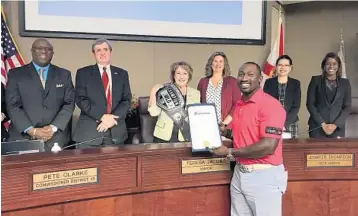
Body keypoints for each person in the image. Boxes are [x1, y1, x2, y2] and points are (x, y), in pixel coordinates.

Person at [212, 62, 287, 216]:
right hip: (239, 174)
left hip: (264, 177)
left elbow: (268, 146)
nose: (244, 78)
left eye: (250, 75)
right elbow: (244, 135)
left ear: (260, 79)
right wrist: (225, 132)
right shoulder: (240, 104)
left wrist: (229, 151)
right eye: (241, 74)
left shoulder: (271, 105)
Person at [5, 38, 75, 151]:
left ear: (52, 53)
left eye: (48, 49)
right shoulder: (16, 74)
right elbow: (13, 105)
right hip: (24, 138)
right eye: (39, 48)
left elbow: (69, 103)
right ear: (32, 51)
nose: (44, 51)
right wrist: (32, 130)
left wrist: (53, 128)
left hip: (56, 138)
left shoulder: (64, 74)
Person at [73, 38, 132, 148]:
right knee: (88, 165)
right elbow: (80, 99)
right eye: (98, 50)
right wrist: (102, 116)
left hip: (115, 132)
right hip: (89, 134)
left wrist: (111, 118)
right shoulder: (83, 73)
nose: (102, 53)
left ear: (110, 52)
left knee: (115, 165)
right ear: (93, 54)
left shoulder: (122, 74)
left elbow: (126, 99)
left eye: (105, 49)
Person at [148, 61, 200, 143]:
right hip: (164, 136)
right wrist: (153, 91)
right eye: (178, 73)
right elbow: (153, 113)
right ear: (174, 75)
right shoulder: (164, 90)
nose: (181, 76)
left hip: (184, 136)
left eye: (185, 73)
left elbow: (196, 116)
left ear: (189, 76)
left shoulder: (196, 93)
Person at [306, 52, 351, 138]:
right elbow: (310, 104)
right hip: (317, 127)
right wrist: (322, 124)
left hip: (337, 129)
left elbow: (347, 106)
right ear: (324, 66)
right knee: (316, 152)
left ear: (338, 66)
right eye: (328, 64)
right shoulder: (315, 80)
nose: (331, 67)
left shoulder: (345, 83)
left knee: (337, 152)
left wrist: (335, 125)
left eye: (334, 64)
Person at [197, 52, 241, 132]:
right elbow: (199, 104)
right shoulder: (203, 82)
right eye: (215, 61)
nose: (218, 64)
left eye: (221, 61)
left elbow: (238, 104)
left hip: (227, 128)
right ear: (211, 64)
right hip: (206, 127)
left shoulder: (232, 82)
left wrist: (224, 124)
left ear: (225, 65)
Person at [264, 55, 301, 138]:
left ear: (290, 67)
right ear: (276, 67)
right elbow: (266, 105)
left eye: (286, 65)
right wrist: (276, 123)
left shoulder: (296, 83)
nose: (283, 67)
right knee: (273, 148)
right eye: (280, 65)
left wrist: (284, 124)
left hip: (290, 123)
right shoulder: (268, 82)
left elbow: (296, 106)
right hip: (272, 123)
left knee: (291, 149)